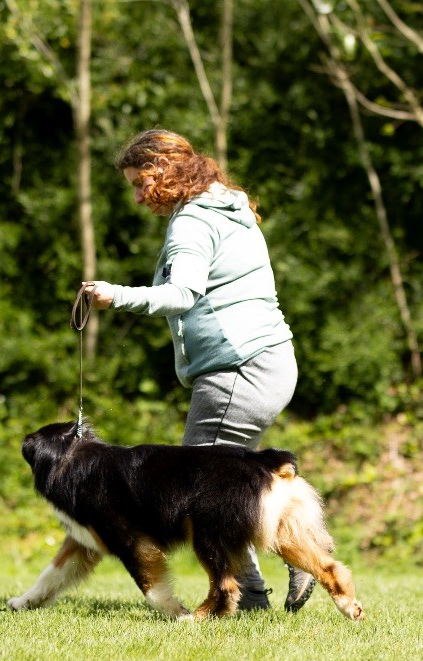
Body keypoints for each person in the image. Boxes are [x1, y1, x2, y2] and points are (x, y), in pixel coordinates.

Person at [83, 129, 316, 613]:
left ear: (160, 171)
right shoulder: (228, 206)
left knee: (203, 490)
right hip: (269, 360)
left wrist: (116, 295)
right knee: (232, 484)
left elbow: (183, 294)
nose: (137, 196)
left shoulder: (192, 222)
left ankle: (259, 588)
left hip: (240, 369)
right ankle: (290, 554)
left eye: (138, 183)